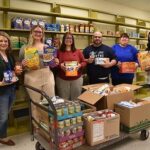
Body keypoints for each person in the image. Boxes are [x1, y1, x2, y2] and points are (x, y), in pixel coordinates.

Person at [19, 25, 57, 120]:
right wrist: (22, 64)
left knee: (48, 101)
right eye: (35, 31)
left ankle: (47, 126)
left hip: (47, 75)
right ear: (31, 33)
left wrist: (55, 62)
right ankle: (37, 127)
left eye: (40, 32)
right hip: (32, 76)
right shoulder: (25, 47)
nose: (38, 33)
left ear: (42, 34)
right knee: (35, 103)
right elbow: (19, 65)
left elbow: (51, 65)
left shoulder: (47, 47)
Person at [0, 31, 22, 146]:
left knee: (5, 113)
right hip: (2, 91)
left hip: (12, 89)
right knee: (3, 116)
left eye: (5, 41)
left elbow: (13, 71)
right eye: (1, 41)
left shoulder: (9, 55)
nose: (3, 43)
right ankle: (3, 137)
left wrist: (17, 71)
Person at [56, 32, 86, 101]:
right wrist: (60, 66)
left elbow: (84, 62)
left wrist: (80, 65)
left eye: (70, 38)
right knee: (64, 100)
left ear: (73, 40)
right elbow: (54, 64)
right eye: (66, 38)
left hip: (76, 80)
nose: (68, 39)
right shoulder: (58, 52)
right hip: (62, 80)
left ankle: (76, 112)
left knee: (76, 100)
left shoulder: (78, 51)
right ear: (63, 40)